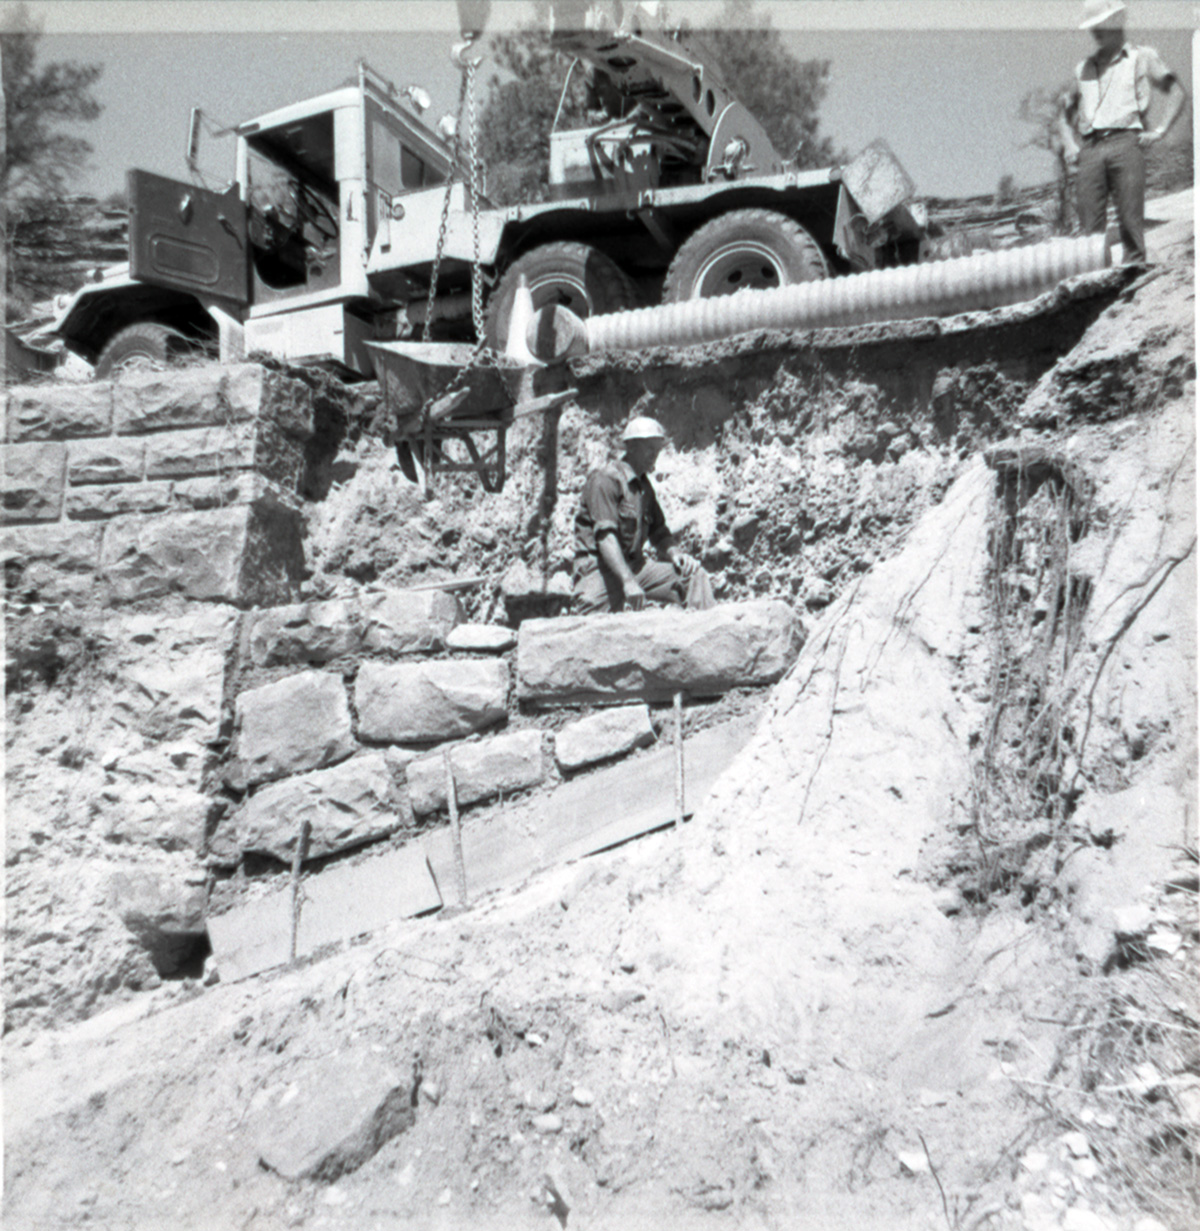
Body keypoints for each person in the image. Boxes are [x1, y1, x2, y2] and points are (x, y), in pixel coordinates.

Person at [1057, 0, 1186, 265]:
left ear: (1116, 21)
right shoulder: (1082, 69)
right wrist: (1070, 144)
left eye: (1101, 24)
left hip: (1126, 142)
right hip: (1090, 149)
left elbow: (1176, 92)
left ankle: (1134, 279)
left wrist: (1160, 130)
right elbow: (1062, 116)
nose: (1096, 32)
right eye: (1092, 27)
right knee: (1089, 229)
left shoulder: (1143, 56)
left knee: (1130, 222)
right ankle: (1097, 281)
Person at [573, 416, 716, 614]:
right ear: (631, 447)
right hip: (600, 570)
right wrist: (628, 581)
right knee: (590, 616)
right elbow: (606, 538)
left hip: (635, 567)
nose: (654, 455)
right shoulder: (605, 480)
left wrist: (676, 554)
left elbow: (659, 533)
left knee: (693, 575)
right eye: (649, 449)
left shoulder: (644, 488)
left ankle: (704, 628)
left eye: (657, 450)